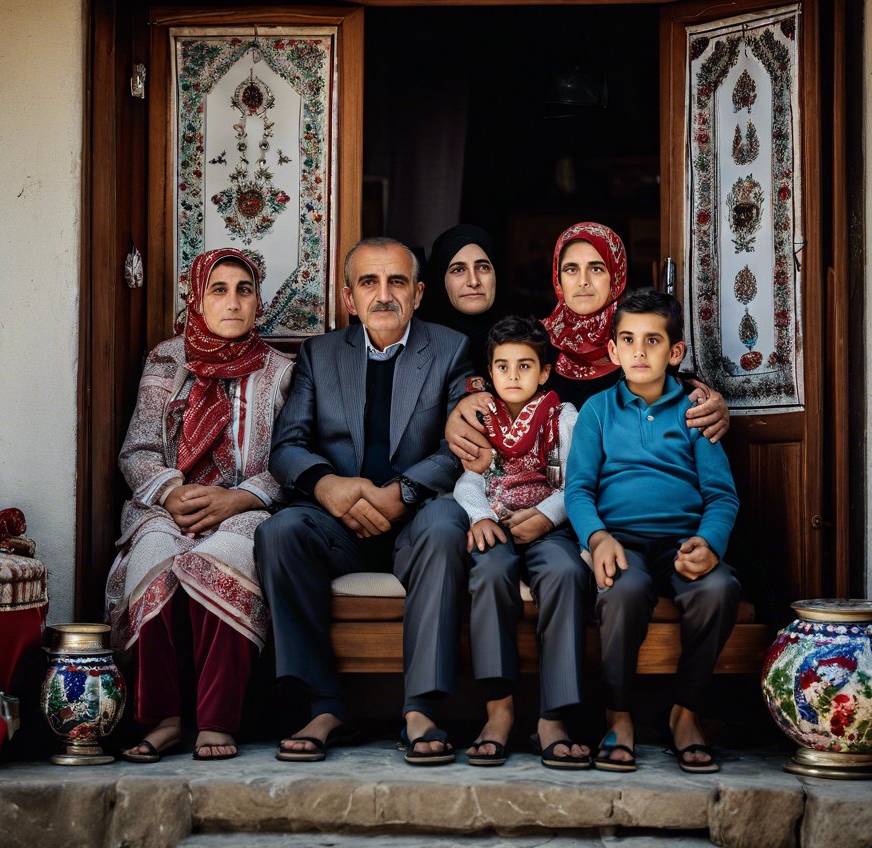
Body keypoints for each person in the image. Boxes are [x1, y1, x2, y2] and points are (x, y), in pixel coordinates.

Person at [256, 236, 479, 765]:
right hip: (339, 524)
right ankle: (325, 704)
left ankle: (421, 707)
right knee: (279, 532)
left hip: (417, 516)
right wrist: (327, 487)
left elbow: (463, 446)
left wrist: (403, 492)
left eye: (397, 281)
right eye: (369, 283)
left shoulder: (450, 349)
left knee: (449, 522)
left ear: (419, 293)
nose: (384, 295)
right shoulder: (320, 353)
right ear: (348, 297)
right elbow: (287, 447)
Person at [106, 248, 294, 762]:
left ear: (259, 301)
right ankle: (162, 718)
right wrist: (170, 491)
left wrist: (237, 498)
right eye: (219, 289)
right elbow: (137, 449)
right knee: (155, 562)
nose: (232, 302)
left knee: (222, 562)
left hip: (245, 506)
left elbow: (291, 459)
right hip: (168, 506)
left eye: (244, 290)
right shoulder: (166, 360)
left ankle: (216, 720)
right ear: (197, 297)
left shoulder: (281, 372)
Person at [564, 288, 741, 774]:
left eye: (653, 341)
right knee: (623, 591)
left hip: (682, 542)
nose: (639, 352)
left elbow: (722, 495)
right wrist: (596, 538)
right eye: (628, 340)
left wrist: (709, 543)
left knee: (719, 587)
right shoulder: (598, 411)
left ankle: (686, 714)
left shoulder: (694, 410)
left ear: (675, 352)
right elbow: (577, 490)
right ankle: (617, 715)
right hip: (621, 542)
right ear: (613, 350)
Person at [445, 220, 730, 462]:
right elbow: (494, 388)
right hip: (548, 488)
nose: (582, 281)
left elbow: (674, 388)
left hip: (618, 486)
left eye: (596, 268)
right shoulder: (534, 340)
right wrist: (463, 408)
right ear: (558, 278)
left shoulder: (636, 338)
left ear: (615, 276)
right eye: (571, 269)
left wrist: (706, 395)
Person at [454, 316, 592, 769]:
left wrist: (547, 518)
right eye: (503, 367)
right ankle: (499, 709)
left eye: (525, 366)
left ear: (545, 372)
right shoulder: (481, 417)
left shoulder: (563, 417)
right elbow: (468, 481)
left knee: (568, 572)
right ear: (489, 373)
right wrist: (480, 517)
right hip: (497, 523)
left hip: (548, 526)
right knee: (490, 572)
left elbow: (576, 482)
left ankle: (554, 716)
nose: (513, 377)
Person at [420, 224, 501, 375]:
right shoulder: (419, 347)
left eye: (483, 267)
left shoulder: (526, 339)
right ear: (440, 281)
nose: (474, 281)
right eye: (458, 270)